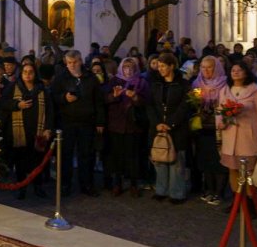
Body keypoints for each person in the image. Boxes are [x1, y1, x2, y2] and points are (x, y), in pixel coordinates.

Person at [51, 50, 105, 196]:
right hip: (66, 122)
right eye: (69, 62)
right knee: (66, 155)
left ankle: (87, 184)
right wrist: (64, 98)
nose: (72, 65)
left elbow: (98, 101)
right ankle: (65, 185)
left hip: (87, 122)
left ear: (80, 61)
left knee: (86, 155)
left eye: (75, 62)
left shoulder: (91, 78)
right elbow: (53, 97)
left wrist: (100, 121)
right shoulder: (60, 78)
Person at [146, 52, 192, 203]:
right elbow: (150, 105)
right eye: (159, 66)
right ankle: (161, 189)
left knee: (176, 161)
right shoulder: (155, 84)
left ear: (171, 66)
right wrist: (157, 123)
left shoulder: (183, 84)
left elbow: (184, 106)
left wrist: (171, 123)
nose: (160, 69)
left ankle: (177, 192)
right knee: (159, 158)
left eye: (163, 66)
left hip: (176, 128)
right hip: (158, 127)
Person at [219, 60, 257, 193]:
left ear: (246, 73)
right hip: (230, 137)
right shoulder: (225, 90)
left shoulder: (256, 90)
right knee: (233, 169)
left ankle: (250, 199)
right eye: (233, 70)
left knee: (249, 172)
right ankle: (237, 198)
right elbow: (219, 111)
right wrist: (222, 121)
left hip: (248, 138)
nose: (235, 72)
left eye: (239, 70)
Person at [4, 62, 52, 199]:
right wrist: (17, 104)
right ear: (21, 73)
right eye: (25, 72)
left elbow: (50, 110)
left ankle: (38, 186)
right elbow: (4, 103)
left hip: (38, 130)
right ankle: (21, 187)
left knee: (38, 160)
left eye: (31, 72)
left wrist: (48, 128)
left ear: (35, 74)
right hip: (19, 131)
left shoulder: (42, 89)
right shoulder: (13, 87)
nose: (27, 74)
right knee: (20, 161)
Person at [104, 57, 146, 196]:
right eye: (126, 67)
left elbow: (146, 101)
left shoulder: (141, 81)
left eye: (131, 67)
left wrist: (135, 98)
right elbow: (105, 99)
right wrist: (114, 96)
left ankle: (134, 184)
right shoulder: (114, 81)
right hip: (116, 123)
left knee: (133, 156)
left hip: (133, 124)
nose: (128, 70)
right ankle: (117, 183)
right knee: (117, 155)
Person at [191, 54, 228, 205]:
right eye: (203, 67)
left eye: (210, 67)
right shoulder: (196, 83)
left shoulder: (224, 83)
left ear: (216, 68)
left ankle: (219, 192)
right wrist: (197, 104)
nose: (206, 70)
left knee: (219, 160)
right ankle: (209, 189)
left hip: (219, 128)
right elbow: (193, 103)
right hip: (202, 127)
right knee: (205, 159)